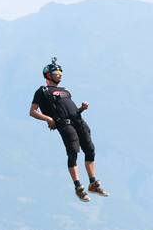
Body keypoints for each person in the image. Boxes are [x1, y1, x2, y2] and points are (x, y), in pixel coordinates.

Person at [30, 58, 109, 202]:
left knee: (90, 149)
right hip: (64, 124)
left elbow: (70, 110)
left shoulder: (65, 90)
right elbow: (33, 111)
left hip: (78, 120)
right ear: (48, 75)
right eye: (56, 72)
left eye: (60, 72)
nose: (60, 74)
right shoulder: (42, 91)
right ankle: (78, 187)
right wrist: (49, 119)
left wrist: (81, 108)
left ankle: (93, 183)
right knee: (73, 152)